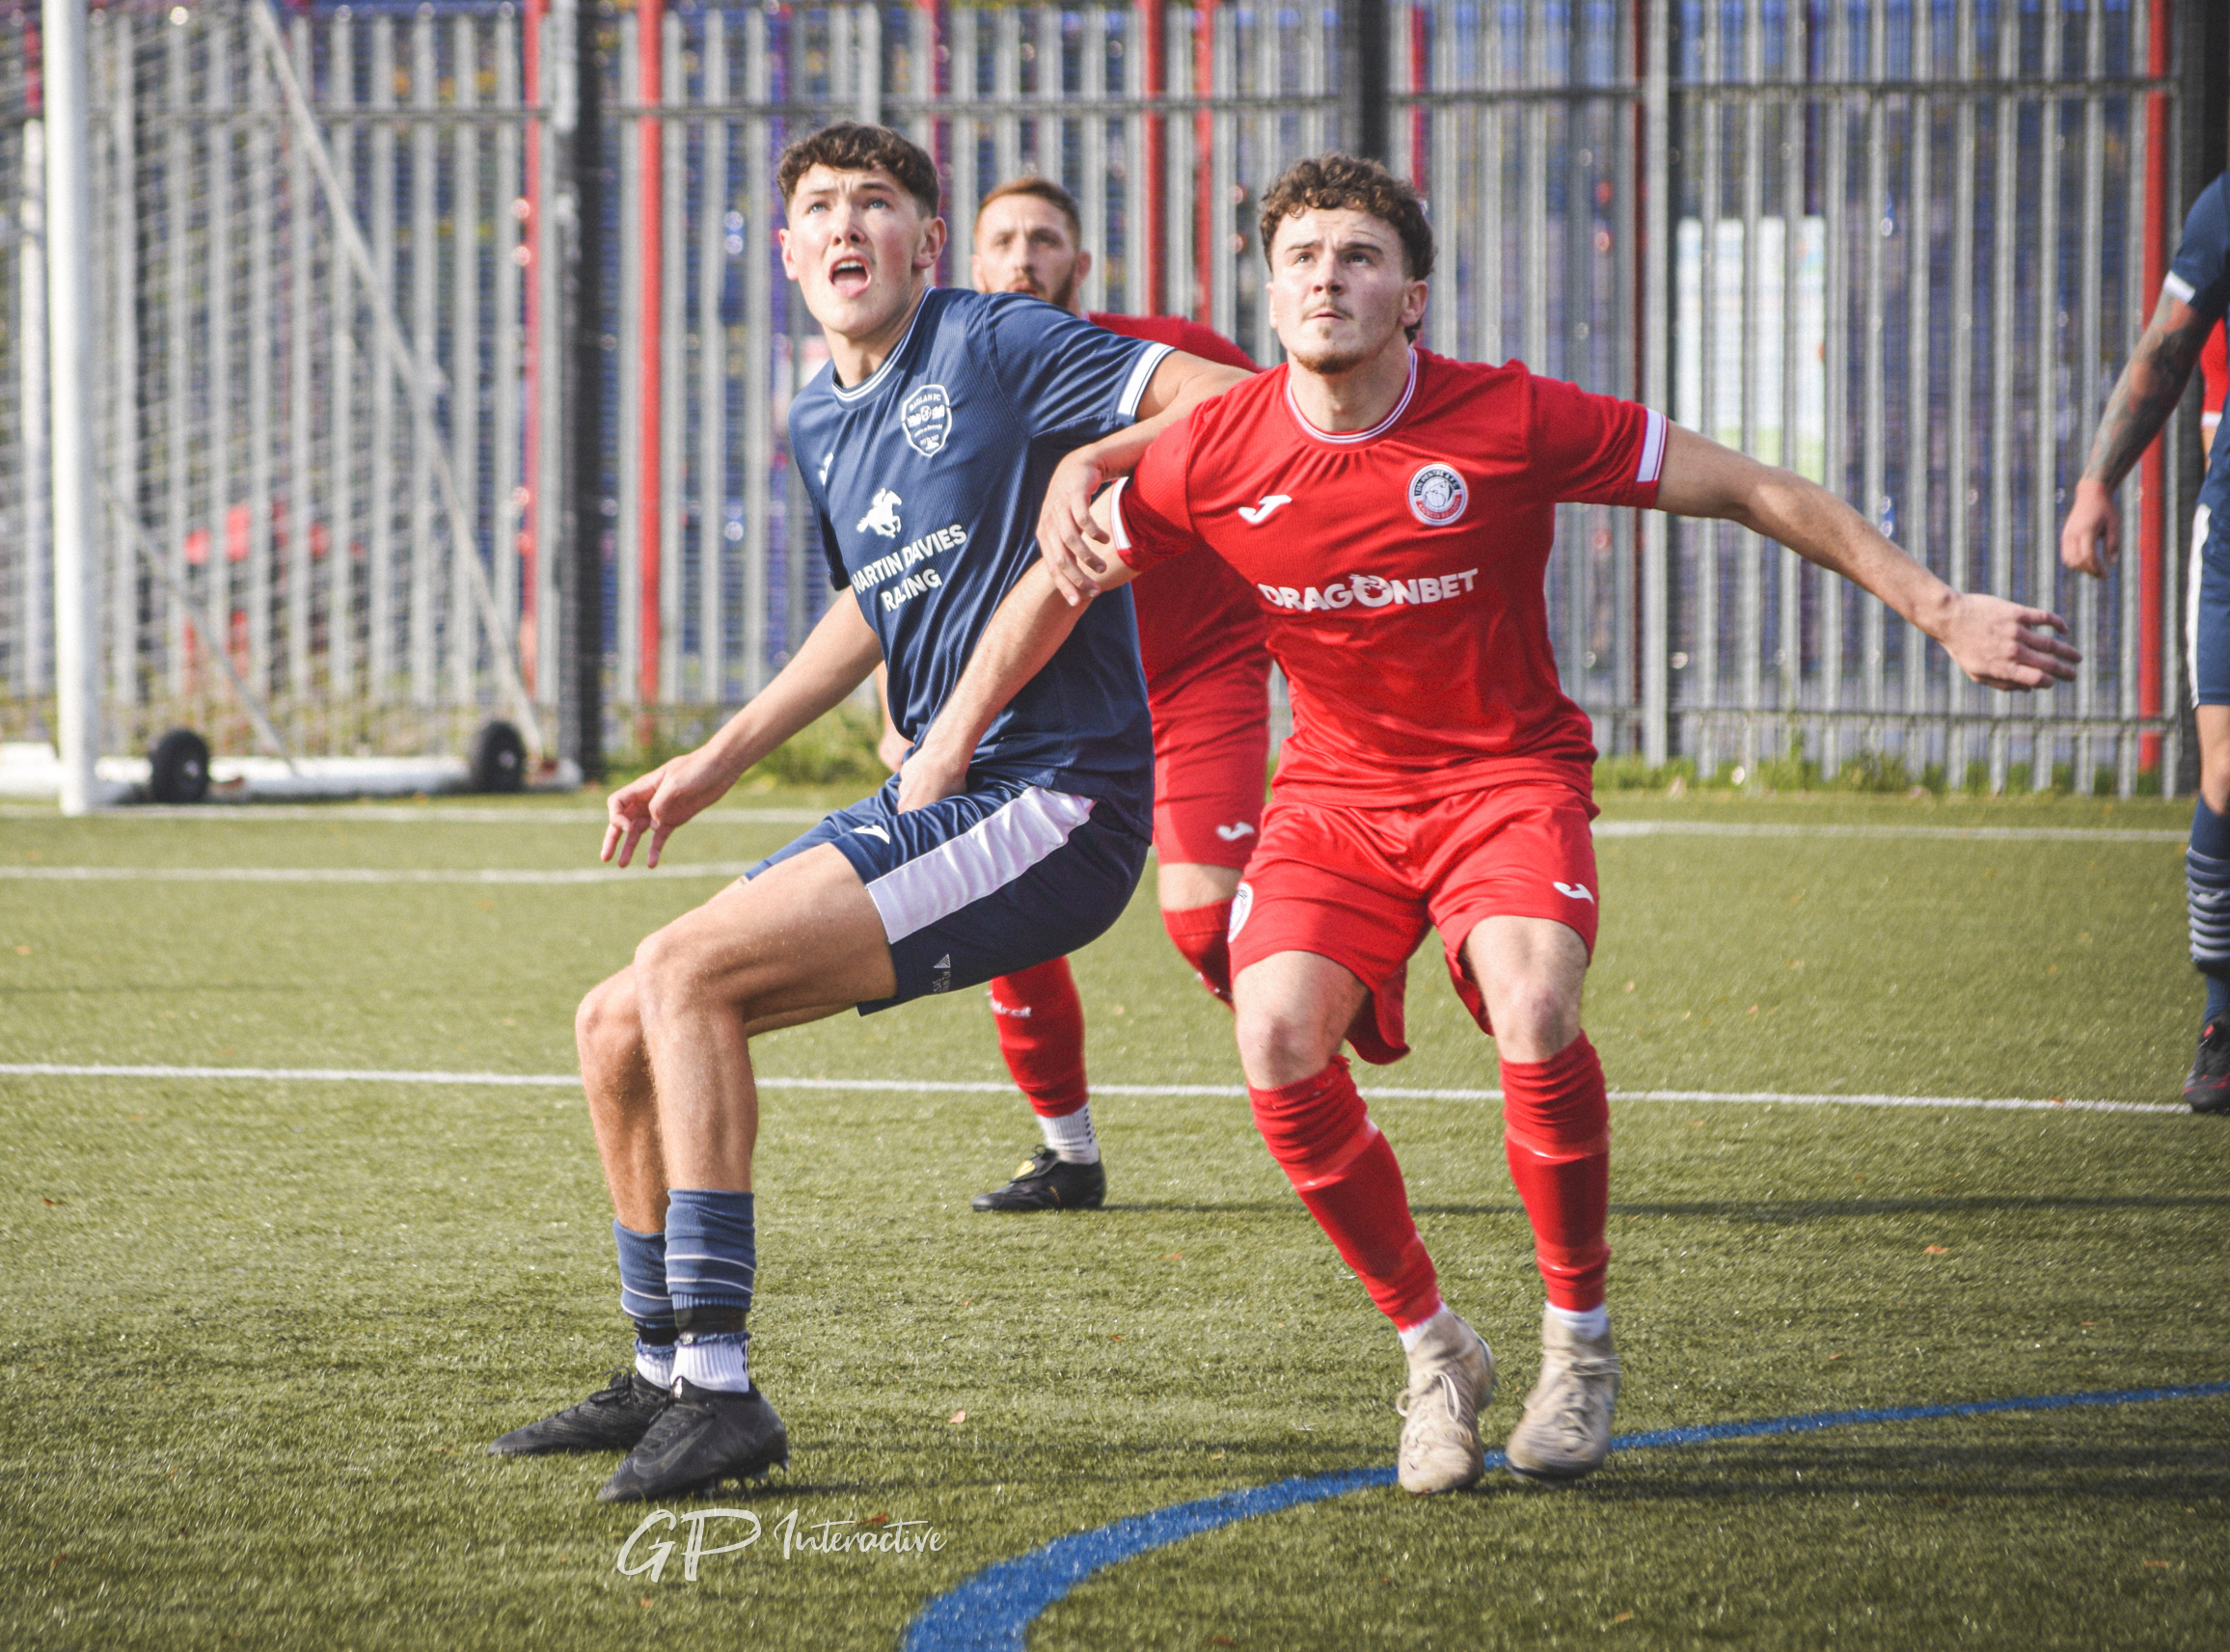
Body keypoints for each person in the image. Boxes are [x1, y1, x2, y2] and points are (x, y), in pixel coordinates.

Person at [1039, 153, 2080, 1496]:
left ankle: (1576, 1346)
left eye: (1358, 256)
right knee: (1275, 1032)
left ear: (1412, 293)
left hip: (1505, 778)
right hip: (1336, 798)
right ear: (1270, 287)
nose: (1327, 278)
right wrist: (950, 734)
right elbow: (1057, 584)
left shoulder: (1513, 418)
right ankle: (1433, 1350)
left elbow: (1756, 487)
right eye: (1301, 256)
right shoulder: (1221, 445)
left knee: (1533, 1009)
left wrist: (1939, 610)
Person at [485, 122, 1247, 1503]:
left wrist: (1095, 468)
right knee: (617, 1023)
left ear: (925, 244)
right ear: (786, 254)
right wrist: (719, 756)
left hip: (1059, 792)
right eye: (820, 209)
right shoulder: (819, 411)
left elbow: (1236, 403)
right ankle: (662, 1366)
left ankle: (722, 1391)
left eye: (877, 205)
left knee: (687, 975)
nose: (846, 228)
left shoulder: (1001, 343)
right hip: (944, 784)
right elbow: (872, 602)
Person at [878, 175, 1269, 1214]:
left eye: (1044, 240)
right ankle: (1069, 1153)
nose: (1022, 257)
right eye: (1002, 239)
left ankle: (1318, 1035)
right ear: (967, 262)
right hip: (1045, 692)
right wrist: (900, 704)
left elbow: (1270, 415)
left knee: (1202, 924)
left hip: (1198, 671)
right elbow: (907, 561)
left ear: (1078, 267)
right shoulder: (942, 385)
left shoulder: (1157, 351)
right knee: (1012, 917)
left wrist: (1098, 455)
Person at [2060, 169, 2230, 1114]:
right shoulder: (2225, 207)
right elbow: (2165, 352)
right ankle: (2223, 1012)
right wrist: (2096, 484)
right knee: (2228, 771)